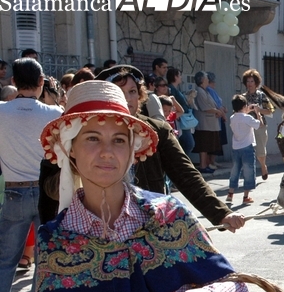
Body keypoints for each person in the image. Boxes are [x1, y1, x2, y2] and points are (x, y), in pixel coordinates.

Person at [34, 80, 249, 292]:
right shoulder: (59, 238)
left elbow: (235, 287)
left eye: (119, 140)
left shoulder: (168, 215)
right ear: (70, 148)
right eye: (92, 138)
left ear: (132, 150)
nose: (107, 152)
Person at [39, 65, 246, 232]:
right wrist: (78, 170)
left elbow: (187, 175)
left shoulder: (157, 131)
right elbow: (49, 190)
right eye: (120, 92)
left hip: (146, 228)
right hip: (86, 230)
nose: (128, 99)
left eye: (132, 92)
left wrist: (220, 213)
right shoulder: (72, 131)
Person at [0, 58, 62, 292]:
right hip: (47, 193)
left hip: (13, 192)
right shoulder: (53, 113)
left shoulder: (1, 112)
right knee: (44, 266)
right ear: (41, 83)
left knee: (3, 266)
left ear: (13, 80)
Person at [227, 95, 261, 204]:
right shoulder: (247, 118)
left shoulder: (232, 118)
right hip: (247, 146)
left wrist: (246, 110)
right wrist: (257, 113)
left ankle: (230, 193)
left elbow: (240, 117)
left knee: (235, 170)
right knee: (248, 171)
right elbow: (258, 125)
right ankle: (246, 196)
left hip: (236, 147)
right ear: (244, 105)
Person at [242, 69, 274, 180]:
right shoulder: (243, 97)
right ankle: (250, 173)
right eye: (247, 81)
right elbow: (237, 112)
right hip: (246, 126)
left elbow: (270, 111)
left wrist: (259, 109)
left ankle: (263, 166)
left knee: (260, 149)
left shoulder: (262, 96)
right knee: (248, 150)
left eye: (251, 81)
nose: (249, 84)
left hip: (260, 125)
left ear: (256, 83)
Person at [192, 71, 224, 174]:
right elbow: (205, 107)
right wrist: (217, 111)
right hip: (204, 124)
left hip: (210, 123)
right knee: (204, 146)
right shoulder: (199, 91)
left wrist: (218, 111)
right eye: (206, 78)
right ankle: (203, 166)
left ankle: (205, 165)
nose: (208, 80)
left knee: (208, 145)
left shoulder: (205, 91)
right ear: (202, 80)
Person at [166, 67, 195, 155]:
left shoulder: (176, 89)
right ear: (175, 77)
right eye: (179, 75)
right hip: (179, 119)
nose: (181, 77)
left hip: (183, 118)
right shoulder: (171, 89)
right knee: (189, 143)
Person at [206, 72, 228, 169]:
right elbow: (216, 105)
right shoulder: (209, 90)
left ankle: (213, 161)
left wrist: (223, 109)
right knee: (214, 141)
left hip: (218, 117)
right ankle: (209, 162)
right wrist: (224, 115)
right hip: (215, 118)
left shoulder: (211, 90)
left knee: (218, 141)